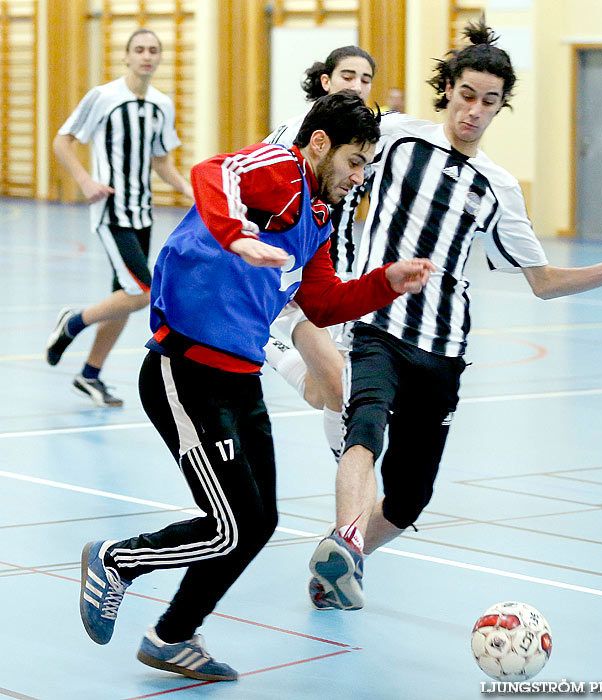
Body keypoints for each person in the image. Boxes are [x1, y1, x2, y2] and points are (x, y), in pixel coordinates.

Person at [307, 21, 602, 612]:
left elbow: (544, 283)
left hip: (443, 349)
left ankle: (339, 565)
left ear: (502, 108)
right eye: (467, 95)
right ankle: (345, 540)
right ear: (448, 88)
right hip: (376, 324)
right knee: (363, 428)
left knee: (408, 501)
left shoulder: (499, 187)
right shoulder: (395, 136)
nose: (474, 111)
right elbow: (321, 150)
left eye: (489, 102)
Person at [77, 91, 434, 681]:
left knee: (257, 521)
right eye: (353, 161)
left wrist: (387, 282)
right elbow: (209, 171)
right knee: (234, 522)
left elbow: (322, 301)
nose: (358, 176)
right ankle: (116, 563)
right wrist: (235, 235)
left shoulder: (319, 216)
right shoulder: (280, 171)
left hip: (239, 379)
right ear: (320, 145)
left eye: (366, 164)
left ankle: (171, 636)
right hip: (184, 368)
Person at [46, 28, 193, 407]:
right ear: (126, 56)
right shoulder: (104, 97)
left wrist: (191, 191)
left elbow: (161, 161)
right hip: (111, 209)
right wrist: (85, 180)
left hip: (141, 211)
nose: (147, 55)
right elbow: (63, 140)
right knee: (141, 292)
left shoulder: (162, 103)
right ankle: (74, 320)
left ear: (160, 58)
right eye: (139, 49)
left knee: (125, 295)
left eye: (153, 50)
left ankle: (89, 374)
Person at [262, 46, 378, 460]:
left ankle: (262, 344)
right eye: (348, 75)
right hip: (298, 277)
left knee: (321, 390)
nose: (358, 85)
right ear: (326, 82)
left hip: (341, 273)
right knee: (340, 386)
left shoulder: (369, 142)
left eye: (366, 79)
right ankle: (350, 494)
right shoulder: (289, 136)